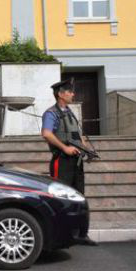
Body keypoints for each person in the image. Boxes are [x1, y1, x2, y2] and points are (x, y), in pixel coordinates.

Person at [41, 79, 98, 246]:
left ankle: (81, 234)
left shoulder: (70, 112)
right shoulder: (51, 113)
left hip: (76, 161)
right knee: (60, 199)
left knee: (79, 198)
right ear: (60, 94)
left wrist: (87, 150)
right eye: (70, 91)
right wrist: (64, 148)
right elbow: (46, 133)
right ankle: (58, 235)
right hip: (62, 161)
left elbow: (77, 135)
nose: (73, 94)